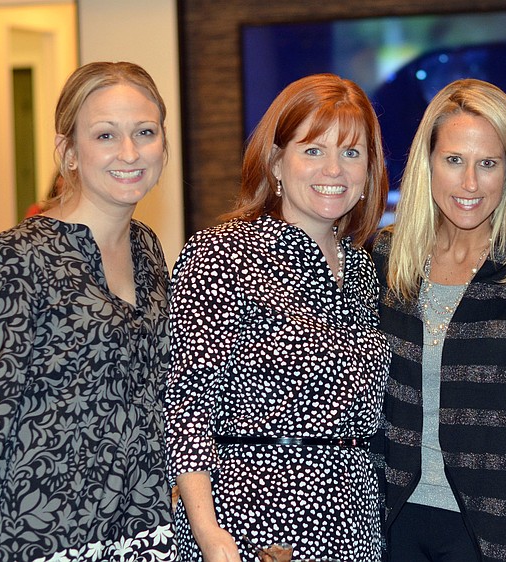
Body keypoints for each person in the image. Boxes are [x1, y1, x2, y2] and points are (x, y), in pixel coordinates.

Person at [0, 61, 177, 561]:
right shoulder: (11, 258)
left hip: (146, 532)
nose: (129, 152)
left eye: (145, 132)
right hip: (40, 538)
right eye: (105, 135)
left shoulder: (148, 248)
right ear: (68, 152)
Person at [165, 73, 390, 562]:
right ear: (276, 162)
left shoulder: (364, 269)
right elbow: (186, 407)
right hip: (251, 522)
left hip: (355, 523)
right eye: (313, 150)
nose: (334, 168)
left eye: (352, 153)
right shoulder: (220, 254)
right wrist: (208, 533)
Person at [373, 78, 506, 562]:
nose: (469, 184)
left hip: (505, 530)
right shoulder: (388, 257)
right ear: (426, 164)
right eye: (453, 161)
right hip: (392, 522)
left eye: (487, 163)